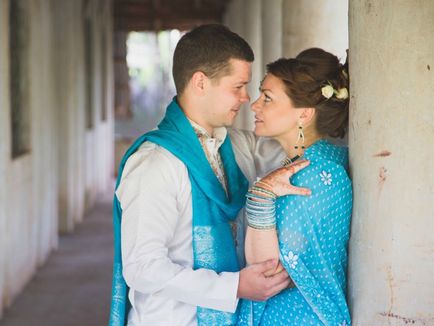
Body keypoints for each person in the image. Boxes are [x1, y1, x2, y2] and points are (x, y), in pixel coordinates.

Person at [109, 24, 310, 326]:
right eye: (237, 87)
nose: (246, 98)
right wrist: (236, 286)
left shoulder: (235, 146)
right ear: (200, 82)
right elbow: (143, 268)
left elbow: (298, 151)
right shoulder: (155, 164)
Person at [237, 48, 353, 325]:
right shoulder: (309, 165)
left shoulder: (315, 176)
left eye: (267, 98)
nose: (254, 106)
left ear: (304, 114)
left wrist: (260, 197)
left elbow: (269, 272)